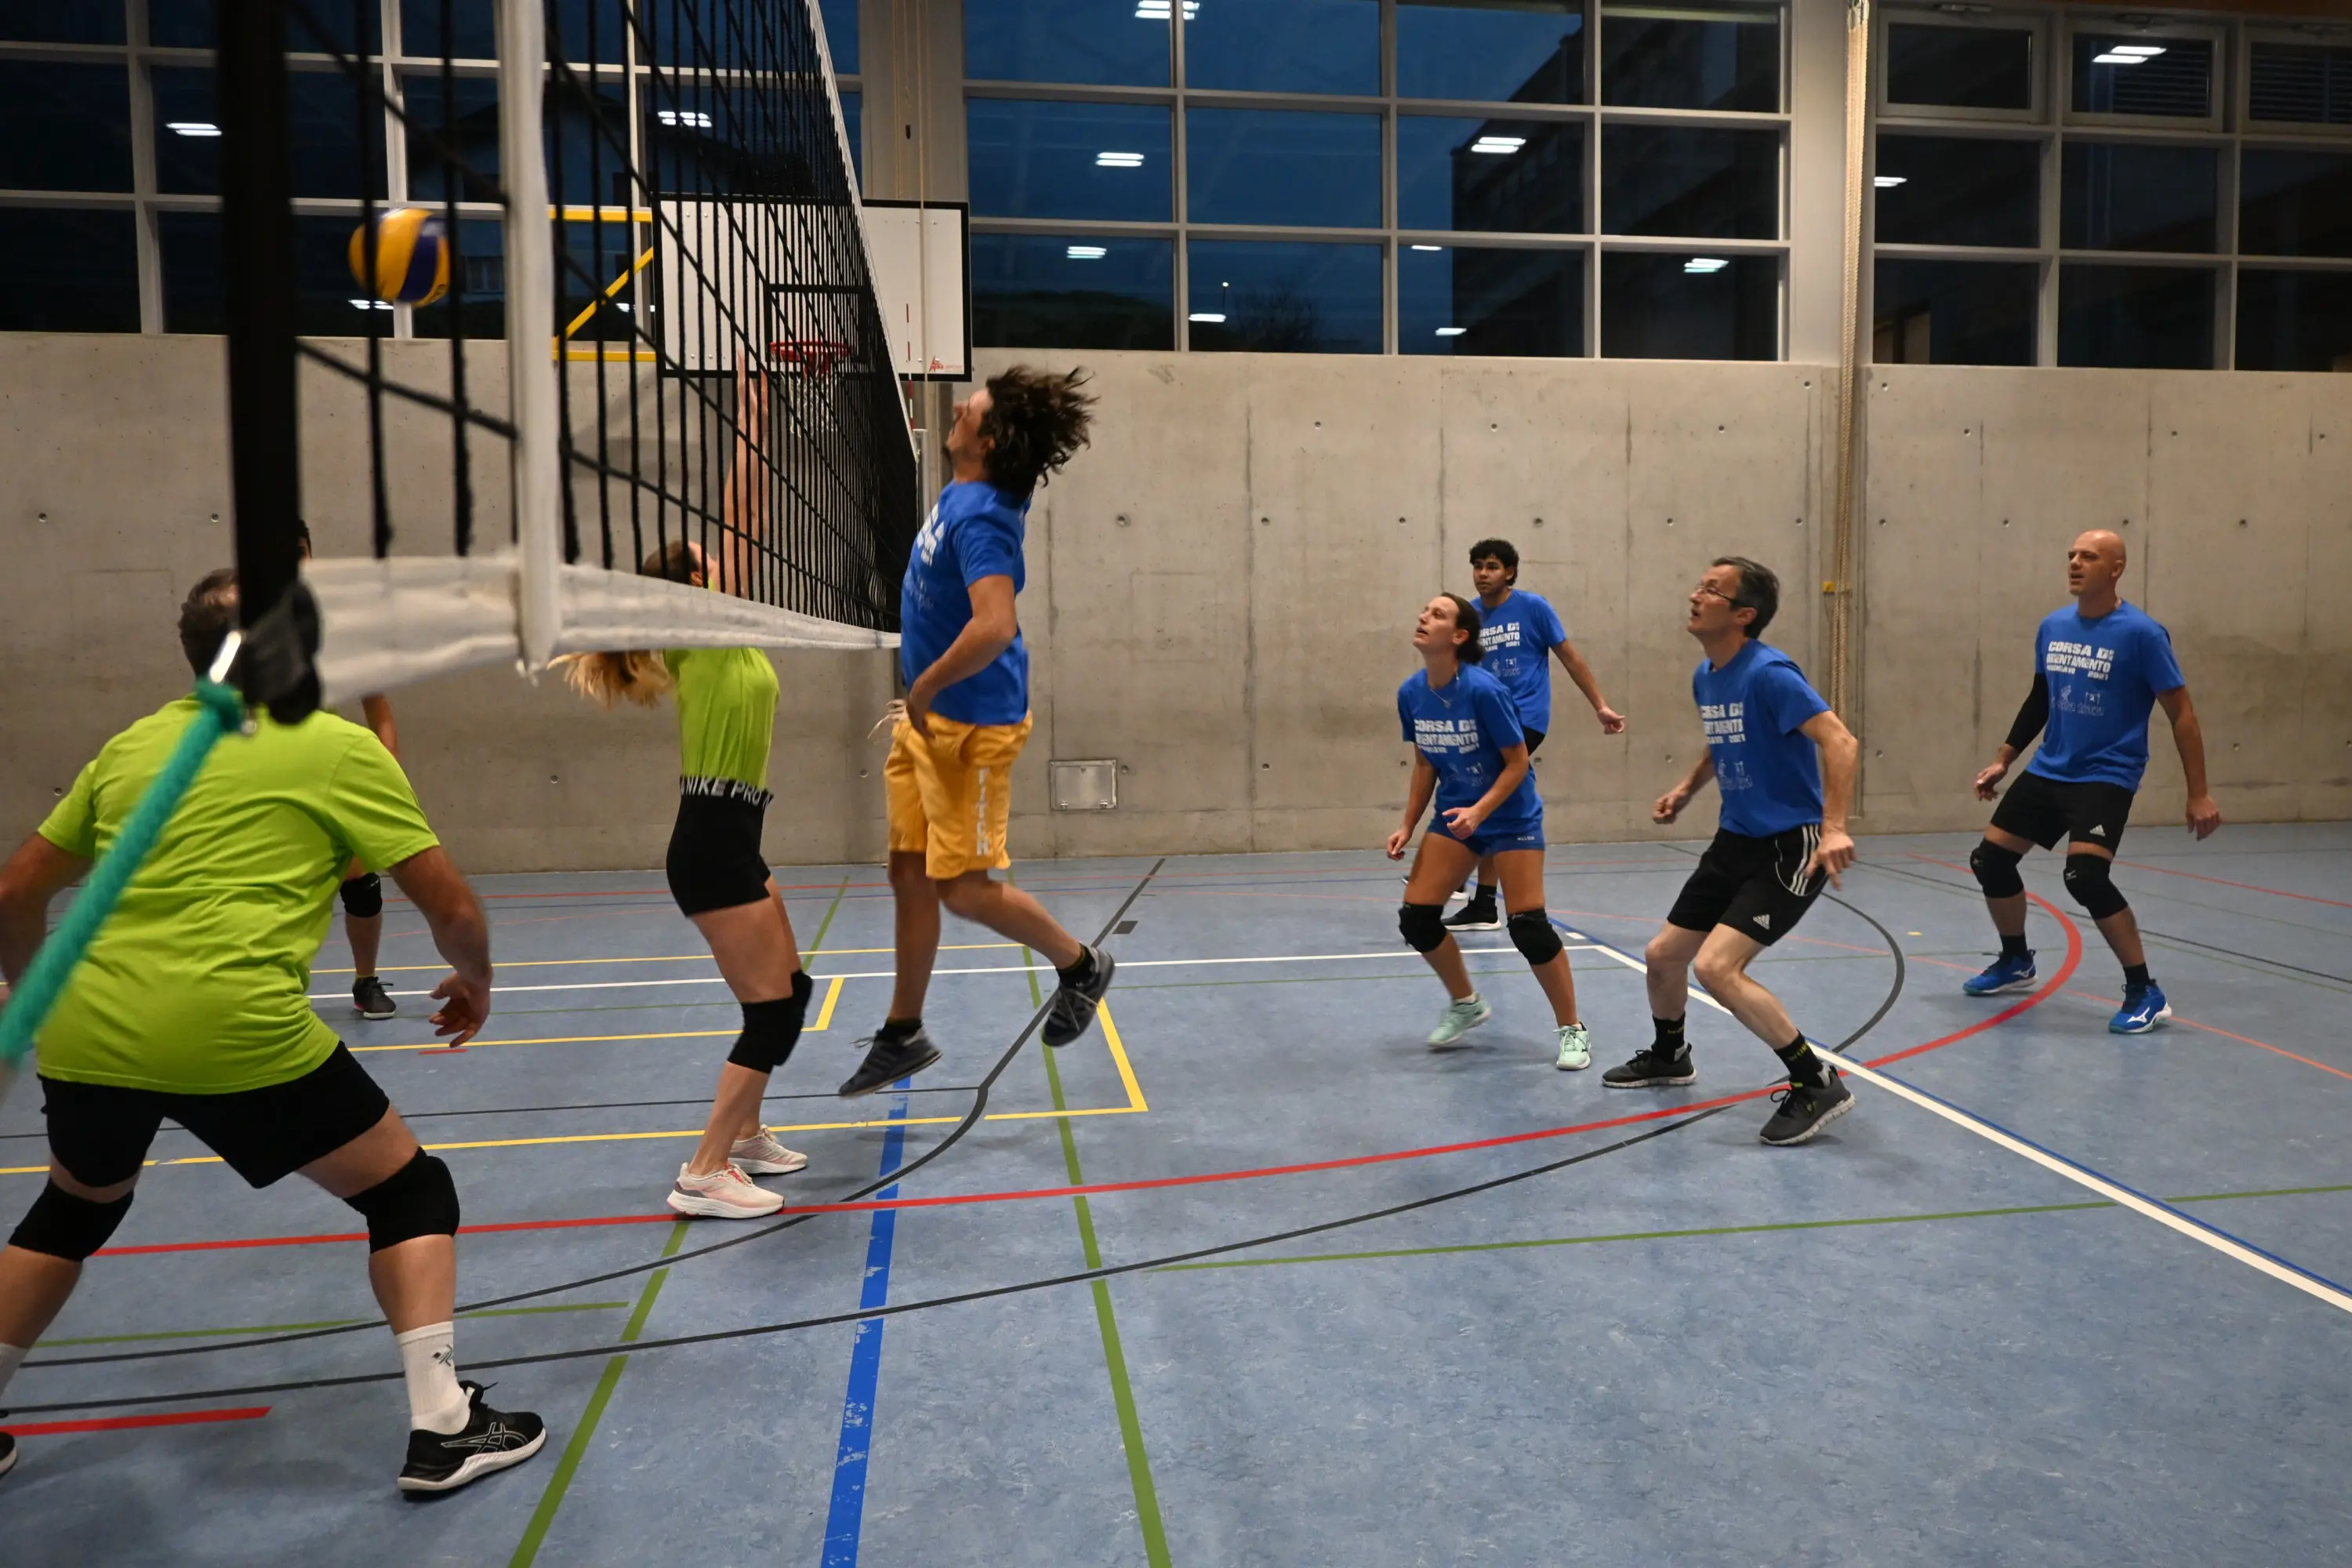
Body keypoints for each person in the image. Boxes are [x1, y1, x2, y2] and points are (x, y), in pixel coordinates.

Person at [0, 571, 543, 1492]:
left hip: (89, 1024)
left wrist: (35, 994)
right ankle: (445, 1424)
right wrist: (477, 981)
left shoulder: (134, 745)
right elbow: (449, 905)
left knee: (77, 1205)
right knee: (411, 1191)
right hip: (232, 1024)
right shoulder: (335, 747)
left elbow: (15, 891)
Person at [561, 369, 815, 1221]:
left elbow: (738, 539)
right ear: (692, 589)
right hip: (709, 843)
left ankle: (743, 1134)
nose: (728, 570)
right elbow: (744, 521)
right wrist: (754, 422)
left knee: (791, 990)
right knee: (771, 1014)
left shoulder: (725, 637)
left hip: (734, 835)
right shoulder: (704, 630)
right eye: (713, 568)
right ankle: (703, 1169)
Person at [840, 367, 1115, 1098]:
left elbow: (994, 626)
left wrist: (923, 685)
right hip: (929, 723)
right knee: (908, 873)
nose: (959, 406)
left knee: (962, 889)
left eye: (974, 408)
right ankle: (904, 1032)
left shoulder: (985, 515)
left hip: (972, 730)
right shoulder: (966, 490)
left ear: (988, 441)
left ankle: (1081, 965)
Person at [1601, 557, 1862, 1147]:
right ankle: (1671, 1056)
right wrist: (1687, 790)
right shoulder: (1708, 675)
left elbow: (1840, 741)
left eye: (1711, 591)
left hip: (1790, 844)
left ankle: (1816, 1080)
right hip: (1736, 838)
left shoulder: (1771, 673)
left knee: (1716, 967)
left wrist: (1835, 826)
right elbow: (1725, 738)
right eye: (1698, 585)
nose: (1695, 596)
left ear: (1743, 615)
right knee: (1664, 956)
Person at [1962, 529, 2220, 1033]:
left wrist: (2199, 792)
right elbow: (2041, 698)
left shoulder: (2143, 634)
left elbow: (2182, 714)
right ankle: (2016, 960)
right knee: (1989, 861)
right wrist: (2005, 759)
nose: (2076, 563)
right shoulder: (2053, 627)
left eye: (2089, 556)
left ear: (2116, 568)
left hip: (2106, 773)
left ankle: (2145, 990)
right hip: (2049, 768)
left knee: (2085, 877)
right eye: (2072, 556)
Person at [1386, 593, 1596, 1070]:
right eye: (1424, 610)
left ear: (1459, 636)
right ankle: (1466, 1003)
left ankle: (1572, 1029)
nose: (1423, 617)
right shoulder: (1411, 693)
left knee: (1529, 927)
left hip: (1509, 816)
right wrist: (1407, 824)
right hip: (1456, 816)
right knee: (1417, 918)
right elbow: (1424, 761)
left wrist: (1481, 811)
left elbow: (1518, 762)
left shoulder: (1485, 691)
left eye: (1437, 614)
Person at [1445, 539, 1626, 933]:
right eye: (1477, 566)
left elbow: (1570, 657)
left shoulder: (1533, 608)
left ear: (1509, 572)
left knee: (1487, 796)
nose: (1482, 573)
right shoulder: (1471, 618)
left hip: (1525, 717)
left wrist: (1600, 705)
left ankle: (1464, 879)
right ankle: (1482, 898)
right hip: (1485, 721)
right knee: (1491, 801)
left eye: (1491, 566)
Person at [298, 522, 402, 1020]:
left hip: (330, 769)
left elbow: (379, 710)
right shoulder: (239, 628)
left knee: (361, 880)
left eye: (299, 553)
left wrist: (385, 775)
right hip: (266, 775)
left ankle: (365, 981)